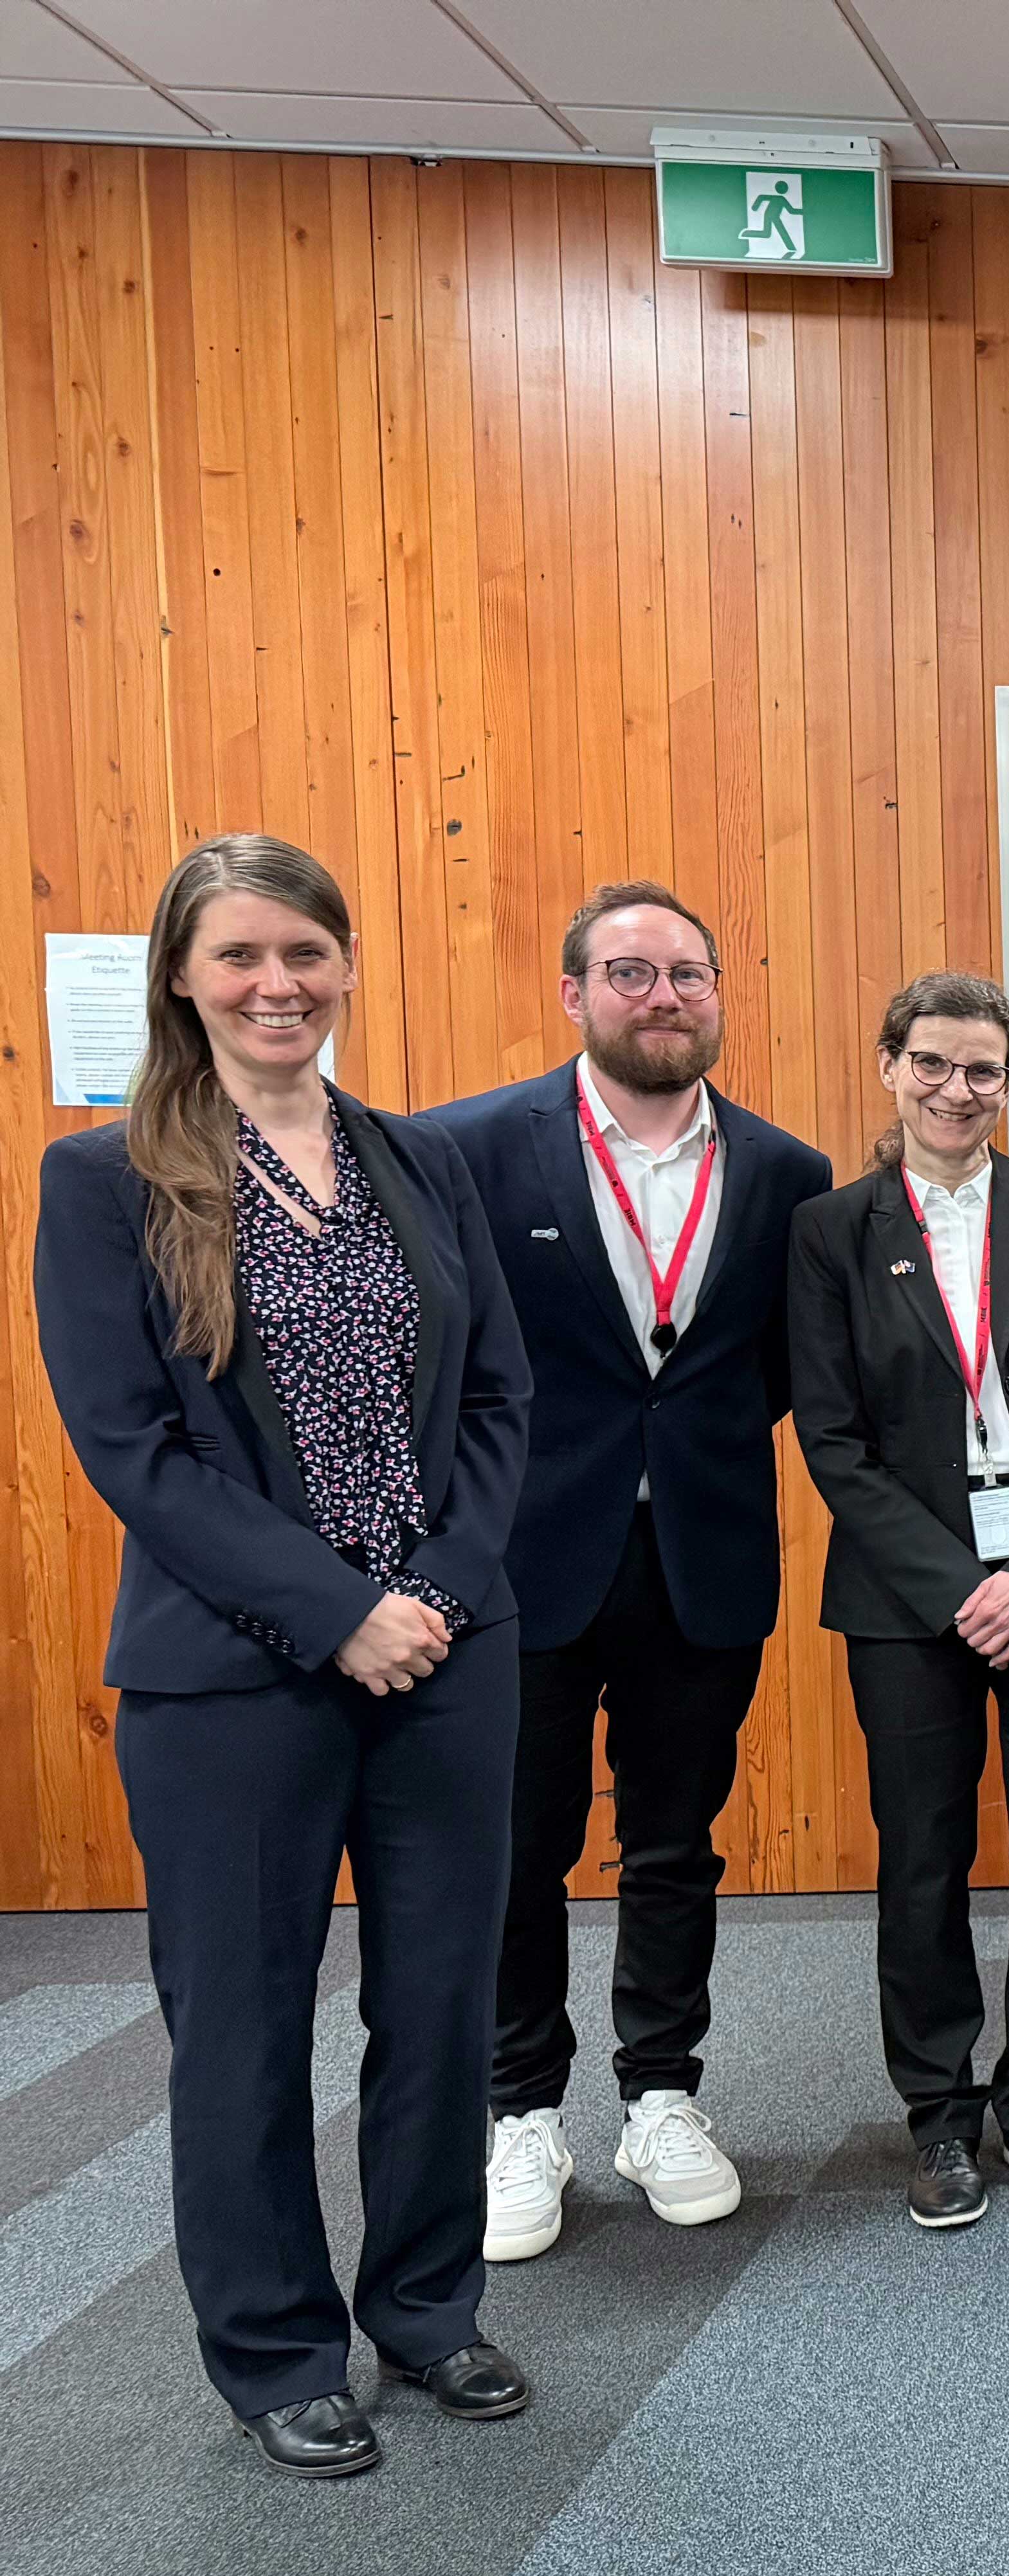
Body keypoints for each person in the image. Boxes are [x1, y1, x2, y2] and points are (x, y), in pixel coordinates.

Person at [34, 835, 536, 2477]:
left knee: (443, 2002)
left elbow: (496, 1404)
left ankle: (428, 2308)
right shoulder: (103, 1181)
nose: (277, 985)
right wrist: (337, 1610)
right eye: (242, 956)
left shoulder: (416, 1159)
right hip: (234, 1675)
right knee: (245, 2020)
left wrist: (439, 1594)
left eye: (306, 954)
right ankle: (271, 2351)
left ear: (345, 966)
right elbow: (133, 1451)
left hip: (450, 1652)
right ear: (184, 973)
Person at [430, 881, 830, 2269]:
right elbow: (444, 1361)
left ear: (719, 993)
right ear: (573, 994)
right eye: (631, 973)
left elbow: (779, 1367)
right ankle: (518, 2112)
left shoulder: (786, 1171)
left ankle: (662, 2095)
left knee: (676, 1842)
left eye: (689, 974)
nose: (664, 997)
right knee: (518, 1850)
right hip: (527, 1559)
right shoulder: (472, 1150)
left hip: (701, 1557)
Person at [788, 971, 1009, 2231]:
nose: (956, 1090)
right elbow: (834, 1443)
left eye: (982, 1070)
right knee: (923, 1859)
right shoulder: (833, 1232)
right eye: (932, 1064)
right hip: (909, 1599)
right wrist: (965, 1590)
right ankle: (941, 2119)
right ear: (889, 1065)